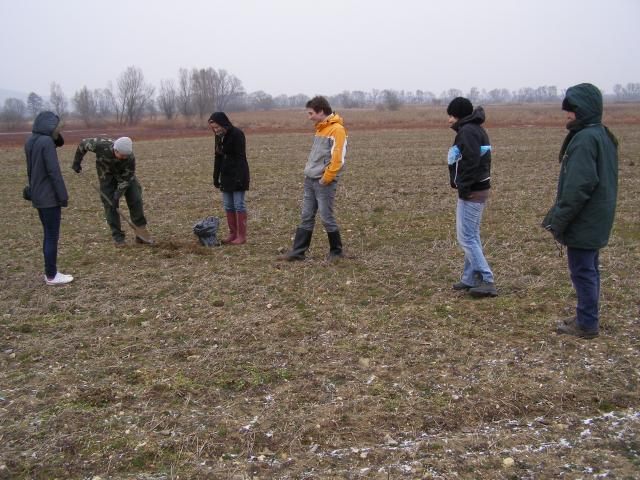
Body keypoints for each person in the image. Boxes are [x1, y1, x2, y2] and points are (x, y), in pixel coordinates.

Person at [543, 83, 618, 339]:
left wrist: (559, 220)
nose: (567, 115)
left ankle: (587, 323)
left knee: (583, 271)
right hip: (596, 216)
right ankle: (586, 316)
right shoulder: (601, 134)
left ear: (583, 109)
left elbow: (578, 187)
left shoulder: (586, 139)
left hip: (585, 219)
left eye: (571, 110)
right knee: (589, 269)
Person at [280, 96, 347, 261]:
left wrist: (326, 178)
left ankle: (336, 252)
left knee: (326, 217)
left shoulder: (337, 130)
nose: (309, 117)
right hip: (310, 180)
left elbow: (338, 158)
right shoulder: (320, 128)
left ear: (321, 111)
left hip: (324, 182)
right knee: (306, 215)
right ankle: (298, 252)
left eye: (311, 113)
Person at [446, 97, 497, 297]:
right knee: (471, 235)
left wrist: (464, 187)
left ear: (459, 115)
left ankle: (487, 279)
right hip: (476, 189)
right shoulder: (473, 129)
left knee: (466, 237)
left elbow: (469, 162)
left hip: (473, 190)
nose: (449, 120)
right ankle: (470, 278)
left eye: (451, 115)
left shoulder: (467, 132)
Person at [71, 137, 152, 246]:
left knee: (136, 199)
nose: (124, 157)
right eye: (122, 155)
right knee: (110, 206)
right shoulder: (100, 145)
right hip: (106, 177)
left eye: (126, 156)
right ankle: (118, 237)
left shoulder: (130, 157)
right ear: (116, 150)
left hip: (125, 177)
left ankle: (141, 232)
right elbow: (82, 144)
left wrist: (117, 196)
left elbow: (126, 179)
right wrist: (77, 162)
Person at [25, 111, 73, 285]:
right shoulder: (46, 143)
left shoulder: (31, 140)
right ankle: (51, 275)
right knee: (51, 236)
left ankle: (50, 273)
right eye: (56, 127)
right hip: (49, 198)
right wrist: (62, 196)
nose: (57, 129)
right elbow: (54, 172)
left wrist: (31, 190)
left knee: (48, 234)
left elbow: (31, 170)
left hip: (38, 196)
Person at [209, 112, 250, 245]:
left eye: (217, 127)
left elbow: (240, 157)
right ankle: (232, 234)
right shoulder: (218, 137)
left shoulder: (237, 134)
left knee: (239, 205)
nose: (216, 130)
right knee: (228, 205)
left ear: (223, 123)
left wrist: (240, 178)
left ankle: (242, 236)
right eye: (213, 128)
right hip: (225, 176)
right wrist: (216, 177)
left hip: (238, 175)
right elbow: (218, 157)